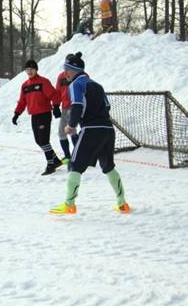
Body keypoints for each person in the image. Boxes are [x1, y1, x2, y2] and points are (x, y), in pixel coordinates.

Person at [50, 52, 130, 214]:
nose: (66, 73)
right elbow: (107, 107)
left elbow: (78, 106)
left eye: (68, 70)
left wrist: (71, 125)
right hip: (108, 129)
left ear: (75, 70)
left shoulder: (76, 85)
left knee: (74, 165)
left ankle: (69, 205)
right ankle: (122, 203)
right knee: (108, 166)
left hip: (91, 130)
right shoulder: (97, 85)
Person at [12, 59, 63, 176]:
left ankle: (51, 165)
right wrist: (16, 114)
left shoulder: (43, 82)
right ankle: (55, 160)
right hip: (34, 115)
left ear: (36, 70)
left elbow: (54, 95)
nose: (29, 71)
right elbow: (22, 101)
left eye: (31, 69)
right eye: (27, 69)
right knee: (38, 141)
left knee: (44, 140)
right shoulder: (25, 86)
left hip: (44, 114)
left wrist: (56, 107)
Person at [56, 54, 79, 164]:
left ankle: (79, 154)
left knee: (72, 130)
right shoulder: (61, 76)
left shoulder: (79, 75)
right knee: (61, 131)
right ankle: (67, 156)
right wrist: (55, 106)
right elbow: (57, 92)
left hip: (76, 106)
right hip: (65, 107)